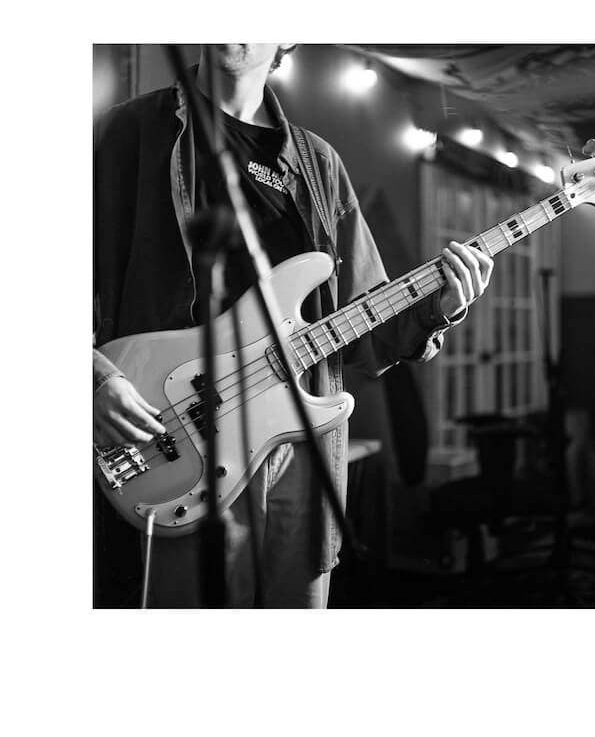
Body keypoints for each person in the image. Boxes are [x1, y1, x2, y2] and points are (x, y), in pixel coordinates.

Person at [93, 44, 494, 608]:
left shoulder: (319, 165)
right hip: (168, 437)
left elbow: (366, 325)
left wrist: (439, 305)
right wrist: (95, 377)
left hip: (299, 452)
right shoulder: (128, 133)